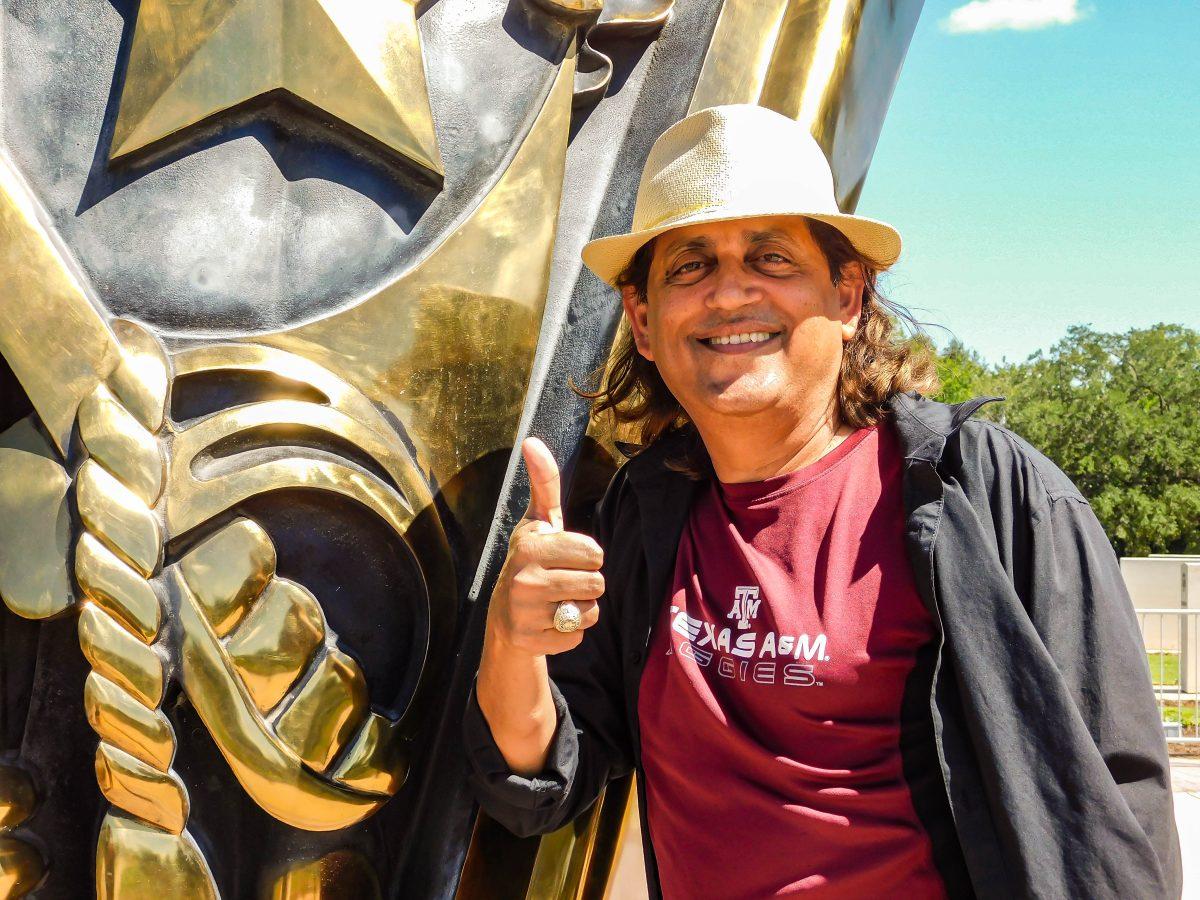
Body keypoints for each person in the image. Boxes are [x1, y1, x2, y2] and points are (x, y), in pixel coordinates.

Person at [462, 104, 1182, 898]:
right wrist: (511, 640)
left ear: (847, 298)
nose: (729, 292)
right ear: (642, 318)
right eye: (689, 266)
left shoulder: (987, 496)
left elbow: (1115, 806)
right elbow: (539, 783)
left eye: (771, 258)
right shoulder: (643, 515)